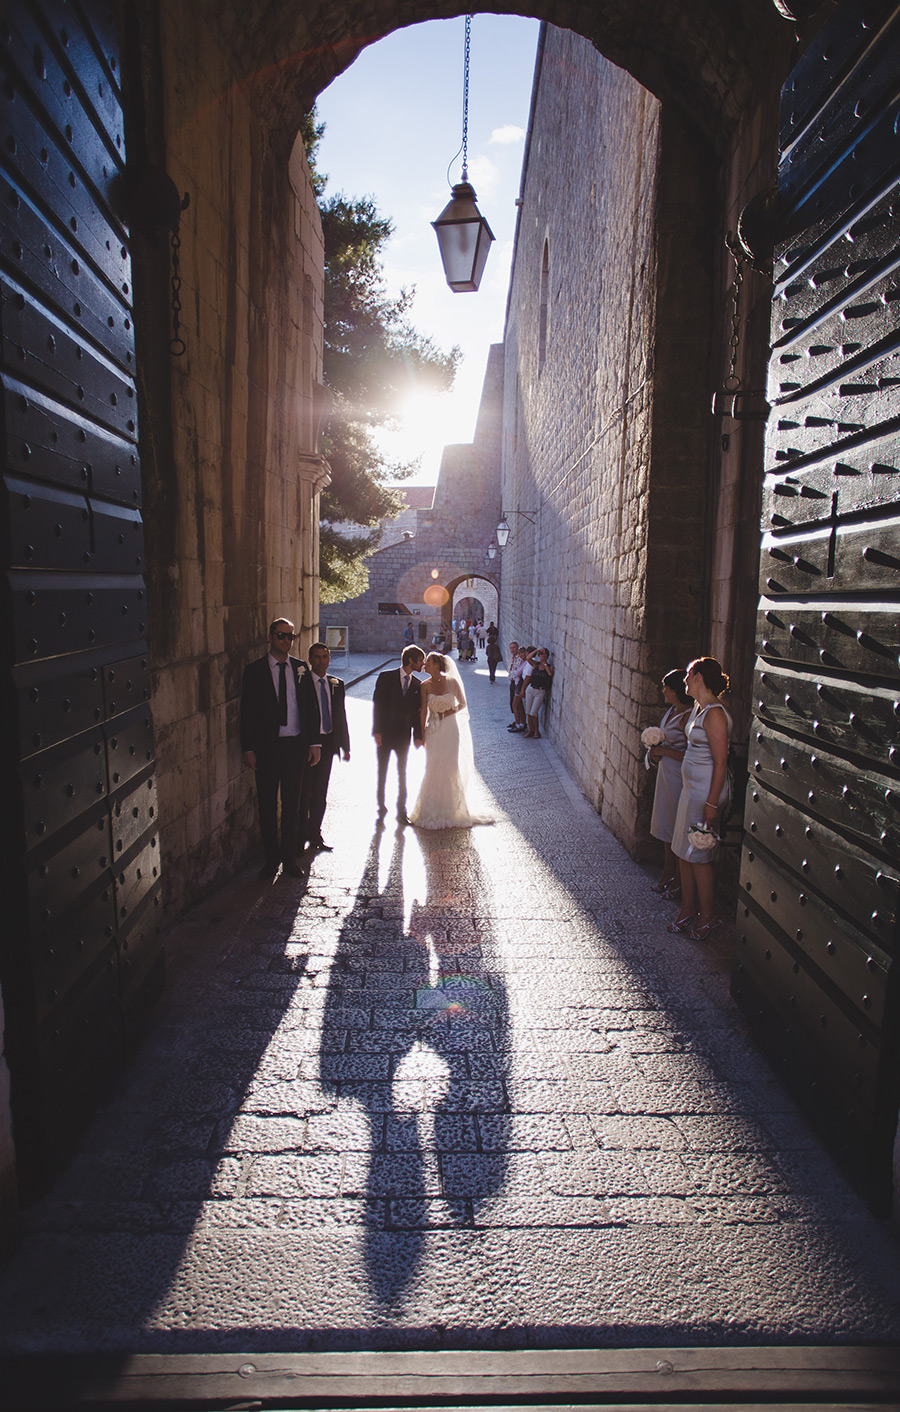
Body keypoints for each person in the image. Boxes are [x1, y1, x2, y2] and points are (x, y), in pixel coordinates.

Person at [240, 618, 320, 880]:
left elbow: (310, 708)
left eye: (290, 636)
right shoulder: (254, 671)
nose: (286, 640)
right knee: (266, 804)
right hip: (267, 748)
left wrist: (314, 743)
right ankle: (270, 859)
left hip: (294, 747)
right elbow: (247, 713)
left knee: (292, 805)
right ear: (271, 637)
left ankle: (289, 859)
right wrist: (248, 748)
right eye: (280, 635)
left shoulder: (300, 669)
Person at [668, 657, 733, 941]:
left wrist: (711, 803)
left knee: (699, 853)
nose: (684, 679)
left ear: (697, 676)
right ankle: (687, 909)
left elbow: (720, 762)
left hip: (705, 792)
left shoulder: (716, 714)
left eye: (688, 674)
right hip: (690, 789)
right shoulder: (698, 708)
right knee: (683, 849)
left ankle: (708, 915)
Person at [409, 652, 492, 829]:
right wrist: (422, 733)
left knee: (450, 765)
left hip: (450, 728)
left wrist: (447, 712)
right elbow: (423, 710)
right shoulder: (424, 686)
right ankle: (431, 810)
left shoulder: (452, 682)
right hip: (433, 729)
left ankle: (453, 809)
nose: (424, 664)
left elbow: (462, 704)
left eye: (428, 662)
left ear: (437, 665)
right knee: (433, 765)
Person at [300, 641, 350, 852]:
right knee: (305, 792)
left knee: (321, 792)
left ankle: (315, 834)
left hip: (328, 743)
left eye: (325, 656)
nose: (321, 661)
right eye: (317, 657)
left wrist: (345, 746)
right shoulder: (302, 684)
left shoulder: (336, 684)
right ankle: (299, 836)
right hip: (307, 744)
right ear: (310, 660)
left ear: (330, 659)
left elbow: (341, 715)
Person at [647, 669, 692, 896]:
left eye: (665, 686)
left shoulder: (688, 717)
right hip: (666, 774)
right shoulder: (672, 711)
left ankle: (677, 880)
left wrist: (664, 751)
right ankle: (668, 872)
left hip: (679, 777)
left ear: (674, 690)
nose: (662, 690)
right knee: (666, 823)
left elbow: (692, 754)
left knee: (676, 825)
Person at [373, 645, 425, 825]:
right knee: (383, 770)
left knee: (403, 773)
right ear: (411, 660)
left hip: (404, 736)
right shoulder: (385, 677)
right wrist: (377, 731)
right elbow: (377, 704)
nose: (423, 664)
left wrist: (418, 736)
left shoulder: (418, 685)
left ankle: (401, 811)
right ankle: (381, 805)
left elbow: (418, 713)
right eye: (420, 660)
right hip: (385, 735)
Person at [524, 647, 553, 738]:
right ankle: (530, 730)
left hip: (540, 691)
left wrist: (544, 663)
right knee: (528, 711)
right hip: (531, 689)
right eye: (540, 654)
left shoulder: (549, 666)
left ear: (547, 656)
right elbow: (528, 658)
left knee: (533, 712)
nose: (541, 656)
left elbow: (550, 673)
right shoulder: (535, 664)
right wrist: (536, 651)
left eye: (543, 654)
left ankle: (537, 732)